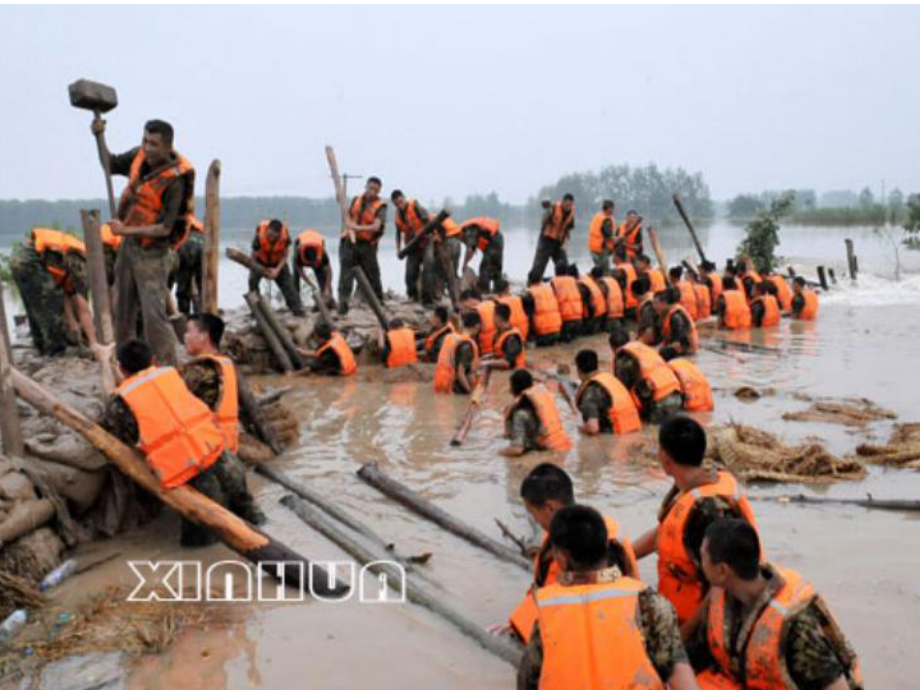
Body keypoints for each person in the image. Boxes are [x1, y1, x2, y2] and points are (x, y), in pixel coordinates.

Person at [517, 504, 700, 690]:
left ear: (561, 558)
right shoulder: (646, 600)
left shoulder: (548, 608)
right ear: (606, 545)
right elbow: (678, 672)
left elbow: (528, 680)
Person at [101, 339, 259, 546]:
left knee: (200, 548)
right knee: (255, 522)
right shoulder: (171, 375)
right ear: (153, 360)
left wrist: (104, 362)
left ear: (120, 368)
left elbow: (114, 424)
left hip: (193, 482)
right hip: (228, 463)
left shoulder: (119, 400)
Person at [688, 520, 863, 690]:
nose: (699, 562)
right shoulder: (722, 595)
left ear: (722, 570)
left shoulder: (797, 627)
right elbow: (697, 654)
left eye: (703, 556)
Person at [631, 416, 760, 628]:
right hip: (681, 611)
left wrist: (684, 636)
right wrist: (622, 555)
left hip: (705, 624)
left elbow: (722, 583)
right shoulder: (697, 482)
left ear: (664, 457)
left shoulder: (707, 511)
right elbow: (666, 533)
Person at [500, 464, 639, 643]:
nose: (533, 519)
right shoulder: (596, 527)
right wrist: (518, 623)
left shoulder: (573, 547)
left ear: (549, 507)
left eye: (532, 512)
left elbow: (568, 604)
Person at [95, 118, 193, 365]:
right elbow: (109, 164)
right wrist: (99, 137)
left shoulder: (176, 180)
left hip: (154, 253)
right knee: (123, 310)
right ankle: (125, 364)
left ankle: (169, 366)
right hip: (129, 248)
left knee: (153, 316)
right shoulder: (138, 156)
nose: (148, 148)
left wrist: (125, 229)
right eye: (145, 141)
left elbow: (165, 228)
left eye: (154, 144)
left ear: (167, 146)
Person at [179, 314, 266, 523]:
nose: (184, 337)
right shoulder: (225, 363)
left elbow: (169, 401)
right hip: (230, 456)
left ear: (204, 336)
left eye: (188, 331)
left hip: (207, 461)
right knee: (251, 521)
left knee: (201, 535)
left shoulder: (198, 370)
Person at [10, 228, 99, 357]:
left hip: (18, 257)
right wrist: (93, 342)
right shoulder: (78, 262)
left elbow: (65, 293)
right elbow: (82, 307)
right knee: (50, 303)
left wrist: (72, 321)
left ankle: (41, 345)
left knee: (35, 306)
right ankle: (55, 351)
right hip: (30, 259)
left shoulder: (71, 259)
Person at [610, 330, 683, 423]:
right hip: (676, 394)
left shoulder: (623, 358)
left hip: (660, 402)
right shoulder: (642, 348)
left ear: (612, 348)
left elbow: (623, 390)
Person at [338, 176, 387, 314]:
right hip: (350, 241)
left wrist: (357, 228)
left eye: (375, 190)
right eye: (370, 188)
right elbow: (348, 215)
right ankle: (343, 304)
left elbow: (376, 227)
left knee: (372, 274)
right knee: (346, 274)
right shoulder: (356, 200)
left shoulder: (380, 206)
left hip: (367, 245)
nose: (372, 191)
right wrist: (339, 199)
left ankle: (379, 302)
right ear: (366, 186)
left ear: (379, 191)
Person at [501, 369, 571, 456]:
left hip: (549, 452)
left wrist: (499, 453)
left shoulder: (519, 413)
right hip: (564, 443)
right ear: (531, 384)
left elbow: (517, 450)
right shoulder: (543, 396)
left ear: (513, 389)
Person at [574, 349, 641, 435]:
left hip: (618, 437)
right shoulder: (610, 378)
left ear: (578, 370)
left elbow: (593, 428)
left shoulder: (590, 391)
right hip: (635, 429)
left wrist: (580, 429)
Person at [249, 219, 304, 315]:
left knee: (289, 286)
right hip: (260, 261)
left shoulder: (285, 237)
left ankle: (297, 310)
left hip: (278, 262)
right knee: (252, 281)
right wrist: (257, 268)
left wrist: (277, 270)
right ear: (267, 230)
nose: (271, 237)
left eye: (274, 236)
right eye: (269, 234)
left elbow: (285, 255)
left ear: (279, 234)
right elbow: (253, 255)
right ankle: (256, 310)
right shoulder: (259, 236)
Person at [391, 190, 430, 303]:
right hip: (412, 246)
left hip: (426, 241)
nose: (399, 205)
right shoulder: (397, 215)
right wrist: (398, 249)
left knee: (428, 267)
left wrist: (422, 232)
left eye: (400, 201)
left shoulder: (415, 205)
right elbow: (398, 234)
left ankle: (428, 299)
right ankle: (413, 297)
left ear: (404, 198)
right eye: (396, 204)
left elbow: (427, 220)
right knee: (410, 273)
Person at [527, 194, 574, 284]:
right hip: (546, 240)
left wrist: (565, 244)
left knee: (563, 265)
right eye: (567, 205)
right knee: (539, 266)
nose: (568, 207)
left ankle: (562, 286)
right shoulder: (553, 208)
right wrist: (549, 211)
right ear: (562, 202)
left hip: (559, 242)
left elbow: (568, 229)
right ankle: (531, 285)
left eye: (570, 205)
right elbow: (543, 221)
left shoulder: (571, 213)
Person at [434, 312, 480, 394]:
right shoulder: (467, 344)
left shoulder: (450, 337)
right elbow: (461, 374)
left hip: (440, 381)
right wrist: (471, 394)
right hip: (452, 387)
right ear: (477, 326)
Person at [292, 228, 335, 310]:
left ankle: (328, 300)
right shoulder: (299, 255)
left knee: (322, 275)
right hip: (301, 240)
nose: (313, 266)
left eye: (315, 264)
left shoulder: (322, 253)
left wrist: (326, 288)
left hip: (316, 240)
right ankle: (296, 303)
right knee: (295, 278)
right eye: (312, 265)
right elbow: (299, 271)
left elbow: (329, 272)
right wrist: (311, 284)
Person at [170, 215, 204, 315]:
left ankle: (184, 315)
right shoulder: (196, 224)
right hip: (202, 246)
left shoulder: (178, 219)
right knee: (202, 286)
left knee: (183, 288)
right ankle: (201, 314)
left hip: (184, 247)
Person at [460, 216, 503, 294]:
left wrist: (464, 264)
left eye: (462, 240)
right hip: (498, 239)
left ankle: (484, 290)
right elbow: (472, 249)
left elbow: (469, 250)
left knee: (485, 267)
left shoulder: (469, 230)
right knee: (496, 265)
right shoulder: (470, 229)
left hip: (493, 241)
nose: (463, 242)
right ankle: (499, 289)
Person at [657, 287, 699, 359]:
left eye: (656, 303)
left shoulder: (676, 316)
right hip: (680, 348)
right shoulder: (670, 313)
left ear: (664, 302)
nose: (655, 307)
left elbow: (680, 343)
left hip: (686, 353)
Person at [483, 303, 525, 370]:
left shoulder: (512, 338)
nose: (492, 319)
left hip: (515, 374)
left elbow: (508, 363)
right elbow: (499, 354)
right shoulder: (499, 333)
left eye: (493, 316)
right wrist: (485, 358)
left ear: (498, 317)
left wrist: (486, 363)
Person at [523, 279, 562, 347]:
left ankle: (532, 340)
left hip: (543, 335)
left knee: (527, 313)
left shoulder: (530, 293)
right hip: (557, 332)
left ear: (529, 283)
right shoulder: (549, 290)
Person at [460, 289, 497, 356]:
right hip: (497, 348)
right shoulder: (492, 304)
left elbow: (468, 334)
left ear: (470, 300)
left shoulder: (475, 311)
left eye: (465, 306)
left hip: (484, 352)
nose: (465, 309)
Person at [550, 268, 583, 342]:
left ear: (556, 272)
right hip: (579, 319)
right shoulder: (573, 280)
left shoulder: (554, 281)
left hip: (565, 321)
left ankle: (566, 335)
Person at [575, 266, 606, 335]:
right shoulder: (589, 281)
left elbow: (587, 305)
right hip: (601, 314)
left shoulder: (581, 283)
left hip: (594, 317)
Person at [587, 199, 616, 271]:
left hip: (592, 248)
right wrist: (617, 239)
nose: (613, 211)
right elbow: (609, 236)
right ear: (608, 209)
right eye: (612, 208)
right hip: (602, 249)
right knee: (605, 270)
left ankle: (597, 280)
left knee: (598, 269)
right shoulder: (607, 220)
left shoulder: (597, 216)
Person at [594, 267, 625, 331]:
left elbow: (601, 295)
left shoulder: (601, 282)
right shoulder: (612, 280)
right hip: (619, 309)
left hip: (610, 311)